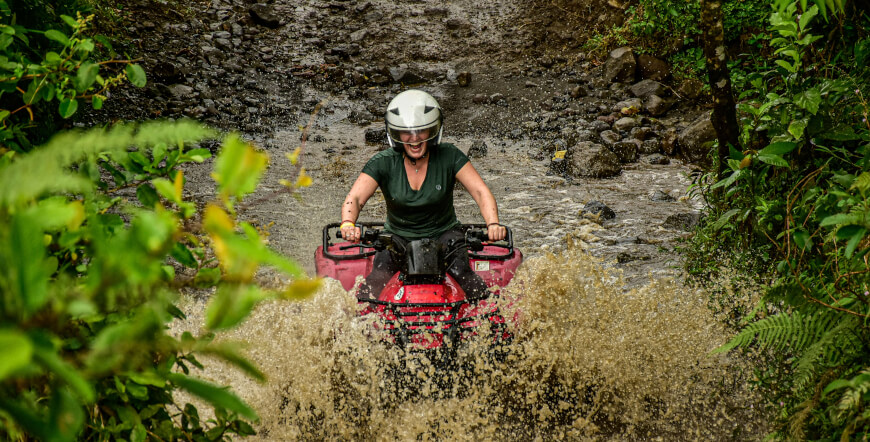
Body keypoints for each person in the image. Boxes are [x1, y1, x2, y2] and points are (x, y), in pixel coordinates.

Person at [340, 89, 506, 300]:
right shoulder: (382, 162)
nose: (414, 139)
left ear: (433, 131)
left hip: (446, 237)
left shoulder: (450, 156)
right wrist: (347, 224)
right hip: (396, 239)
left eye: (422, 131)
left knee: (466, 277)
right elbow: (354, 198)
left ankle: (494, 325)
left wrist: (493, 224)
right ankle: (359, 329)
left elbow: (481, 192)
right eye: (406, 132)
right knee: (374, 283)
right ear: (396, 134)